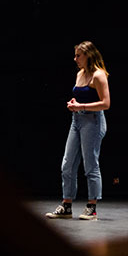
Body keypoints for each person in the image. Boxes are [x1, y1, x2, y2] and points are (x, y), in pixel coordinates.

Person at [46, 41, 111, 220]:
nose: (75, 59)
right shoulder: (80, 74)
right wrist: (75, 103)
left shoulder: (98, 75)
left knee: (90, 165)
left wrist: (81, 106)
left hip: (93, 121)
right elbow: (82, 96)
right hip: (77, 120)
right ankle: (66, 205)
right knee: (67, 164)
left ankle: (92, 207)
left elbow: (106, 103)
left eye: (78, 55)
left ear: (88, 55)